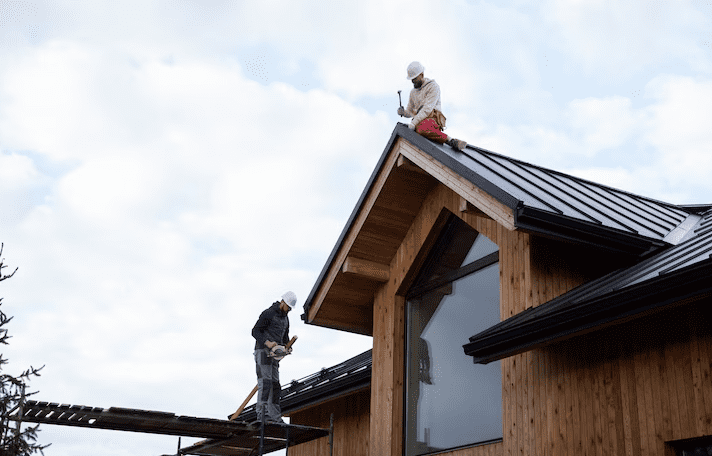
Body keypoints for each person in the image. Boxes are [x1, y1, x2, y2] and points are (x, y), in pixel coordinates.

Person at [397, 61, 468, 151]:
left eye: (415, 78)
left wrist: (413, 123)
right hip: (419, 120)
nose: (412, 81)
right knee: (413, 132)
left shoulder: (433, 87)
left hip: (433, 117)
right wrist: (403, 113)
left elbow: (427, 109)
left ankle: (451, 141)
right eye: (411, 79)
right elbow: (410, 111)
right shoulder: (413, 92)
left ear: (421, 75)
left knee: (422, 129)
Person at [251, 291, 297, 424]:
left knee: (275, 385)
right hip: (263, 351)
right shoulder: (268, 313)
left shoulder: (285, 319)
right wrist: (267, 342)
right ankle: (263, 415)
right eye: (288, 307)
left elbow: (285, 338)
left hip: (275, 356)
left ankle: (275, 417)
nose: (288, 310)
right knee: (265, 383)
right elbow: (255, 331)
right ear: (283, 302)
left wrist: (287, 347)